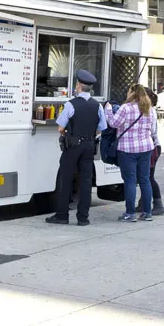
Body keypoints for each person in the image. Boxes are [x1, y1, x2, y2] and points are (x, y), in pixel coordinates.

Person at [46, 69, 107, 226]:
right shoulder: (97, 106)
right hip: (89, 145)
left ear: (79, 86)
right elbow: (101, 128)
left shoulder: (70, 105)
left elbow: (60, 127)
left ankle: (62, 215)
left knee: (65, 178)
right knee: (86, 181)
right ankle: (83, 217)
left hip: (72, 146)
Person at [104, 83, 157, 222]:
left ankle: (130, 213)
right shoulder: (149, 110)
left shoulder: (125, 108)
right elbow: (152, 129)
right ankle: (147, 212)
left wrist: (108, 110)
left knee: (130, 181)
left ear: (132, 93)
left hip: (127, 149)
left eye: (129, 91)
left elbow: (114, 123)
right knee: (145, 180)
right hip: (146, 148)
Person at [136, 88, 164, 216]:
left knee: (148, 177)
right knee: (144, 176)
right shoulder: (148, 110)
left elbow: (151, 131)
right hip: (152, 146)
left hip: (152, 147)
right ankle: (143, 202)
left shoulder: (150, 111)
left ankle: (158, 205)